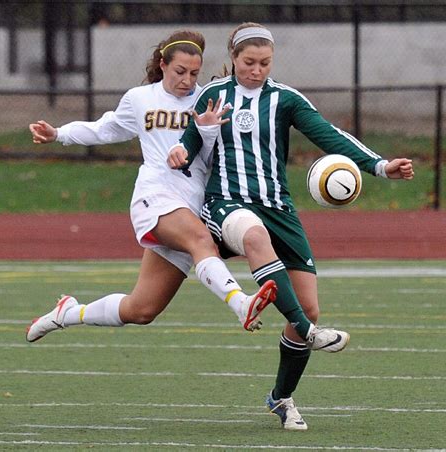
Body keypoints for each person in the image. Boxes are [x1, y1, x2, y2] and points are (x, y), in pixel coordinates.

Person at [168, 22, 414, 431]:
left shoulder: (285, 99)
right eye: (249, 62)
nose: (257, 70)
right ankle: (307, 330)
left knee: (310, 304)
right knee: (254, 237)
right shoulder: (214, 94)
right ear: (233, 58)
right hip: (226, 203)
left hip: (278, 207)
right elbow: (194, 136)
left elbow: (327, 135)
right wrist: (181, 149)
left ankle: (281, 397)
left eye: (265, 63)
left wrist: (379, 166)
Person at [26, 29, 278, 344]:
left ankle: (68, 312)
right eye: (180, 71)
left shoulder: (207, 100)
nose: (187, 80)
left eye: (194, 73)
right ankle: (241, 304)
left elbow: (216, 155)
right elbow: (104, 129)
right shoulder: (140, 99)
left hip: (192, 204)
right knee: (202, 241)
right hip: (155, 196)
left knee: (142, 309)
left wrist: (212, 130)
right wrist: (58, 133)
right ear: (162, 64)